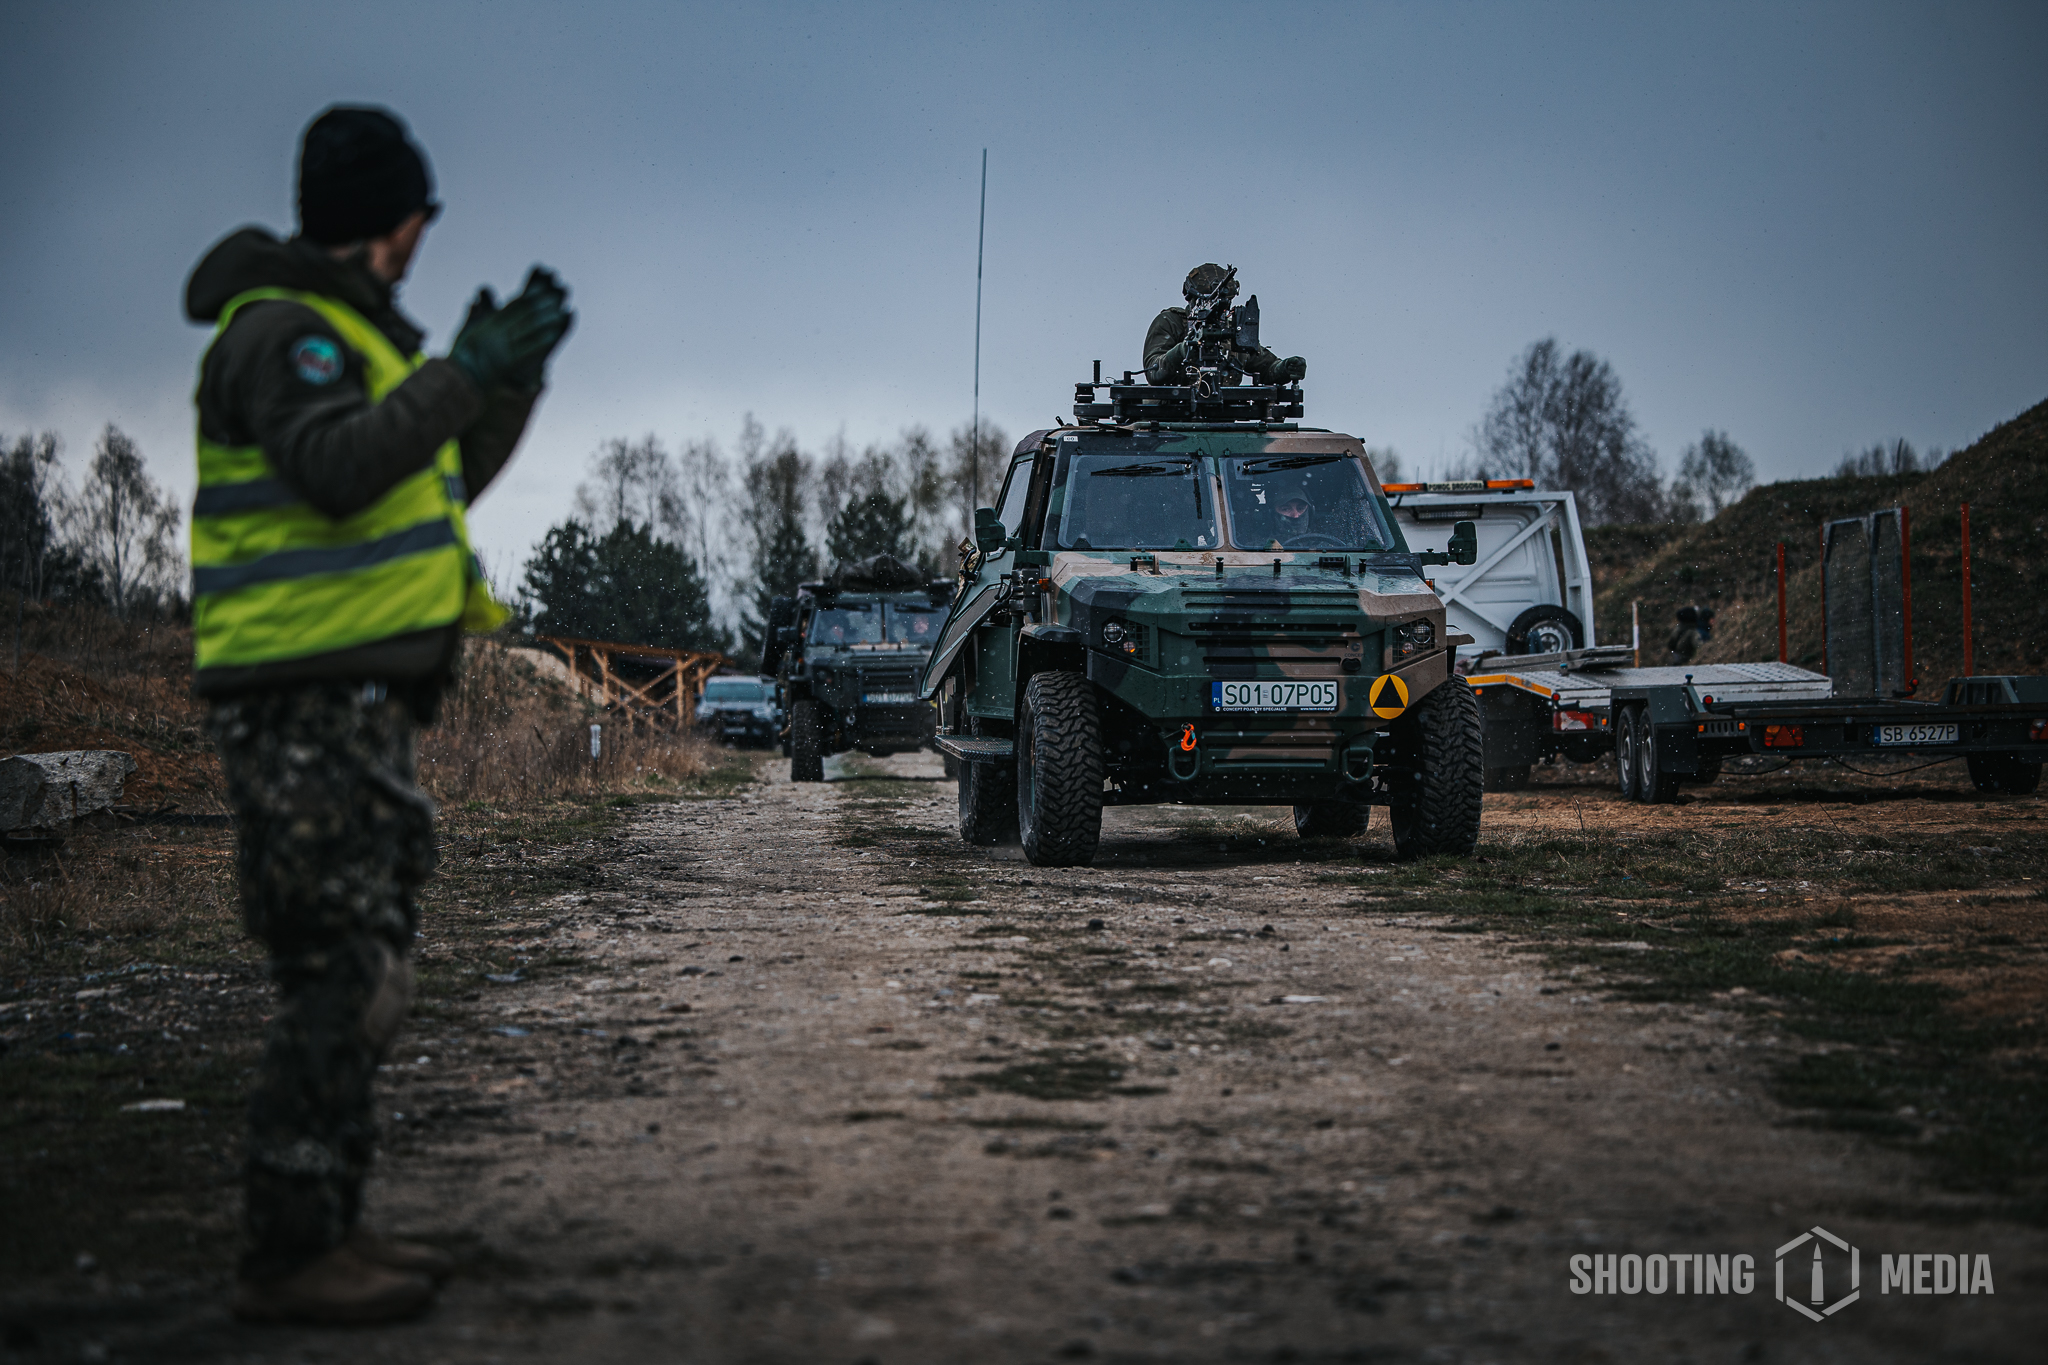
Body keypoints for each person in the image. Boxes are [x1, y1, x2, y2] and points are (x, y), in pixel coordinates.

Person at [184, 105, 573, 1324]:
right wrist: (462, 371)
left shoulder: (352, 340)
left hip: (351, 699)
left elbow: (432, 479)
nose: (419, 243)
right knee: (341, 966)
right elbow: (341, 471)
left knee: (373, 962)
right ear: (394, 222)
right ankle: (291, 1250)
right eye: (418, 220)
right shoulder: (286, 335)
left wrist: (504, 385)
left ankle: (330, 1227)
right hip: (297, 699)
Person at [1143, 263, 1306, 387]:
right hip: (1170, 415)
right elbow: (1154, 371)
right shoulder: (1172, 322)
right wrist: (1185, 350)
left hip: (1222, 417)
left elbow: (1267, 368)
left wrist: (1285, 368)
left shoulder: (1233, 332)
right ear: (1191, 299)